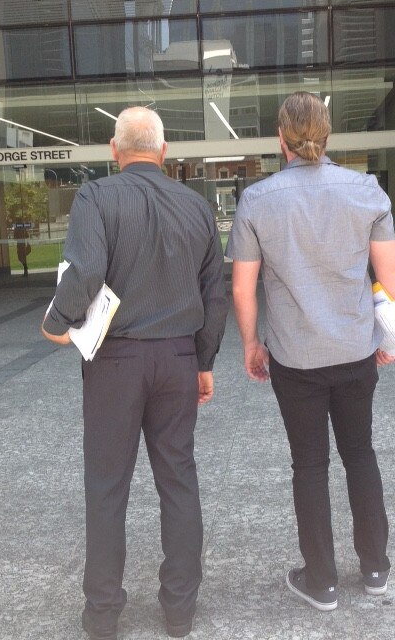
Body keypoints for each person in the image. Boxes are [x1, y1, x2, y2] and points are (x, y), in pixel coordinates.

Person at [41, 107, 228, 640]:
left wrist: (57, 320)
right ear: (164, 151)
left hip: (114, 362)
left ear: (113, 149)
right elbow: (213, 292)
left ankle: (102, 615)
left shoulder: (96, 197)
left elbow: (86, 268)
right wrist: (204, 360)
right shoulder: (196, 206)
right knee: (178, 480)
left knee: (106, 487)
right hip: (176, 360)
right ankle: (179, 611)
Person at [226, 91, 395, 612]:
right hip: (353, 351)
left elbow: (241, 288)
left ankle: (319, 580)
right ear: (326, 136)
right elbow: (389, 277)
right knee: (361, 454)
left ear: (282, 139)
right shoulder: (367, 191)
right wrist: (386, 335)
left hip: (295, 358)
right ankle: (376, 569)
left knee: (310, 465)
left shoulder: (257, 200)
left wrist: (253, 344)